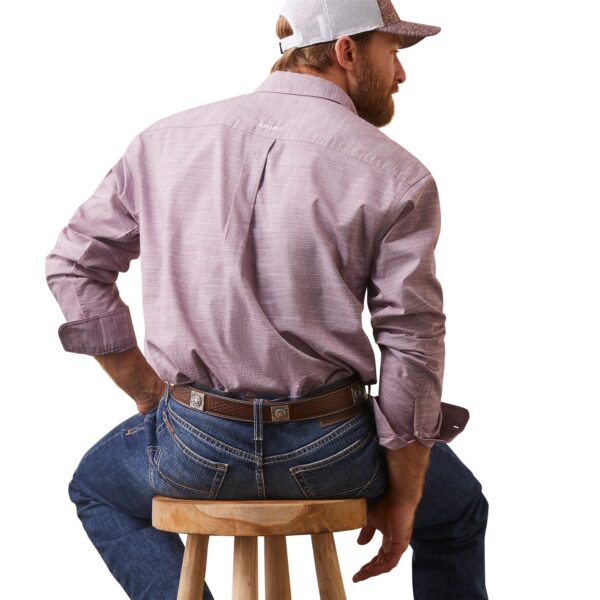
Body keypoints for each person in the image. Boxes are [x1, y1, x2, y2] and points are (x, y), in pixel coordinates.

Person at [44, 0, 489, 598]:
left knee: (97, 488)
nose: (402, 74)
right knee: (458, 512)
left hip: (194, 445)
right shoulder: (396, 174)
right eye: (394, 53)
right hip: (335, 450)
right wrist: (405, 495)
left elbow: (74, 263)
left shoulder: (163, 142)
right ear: (347, 51)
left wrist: (149, 393)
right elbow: (411, 339)